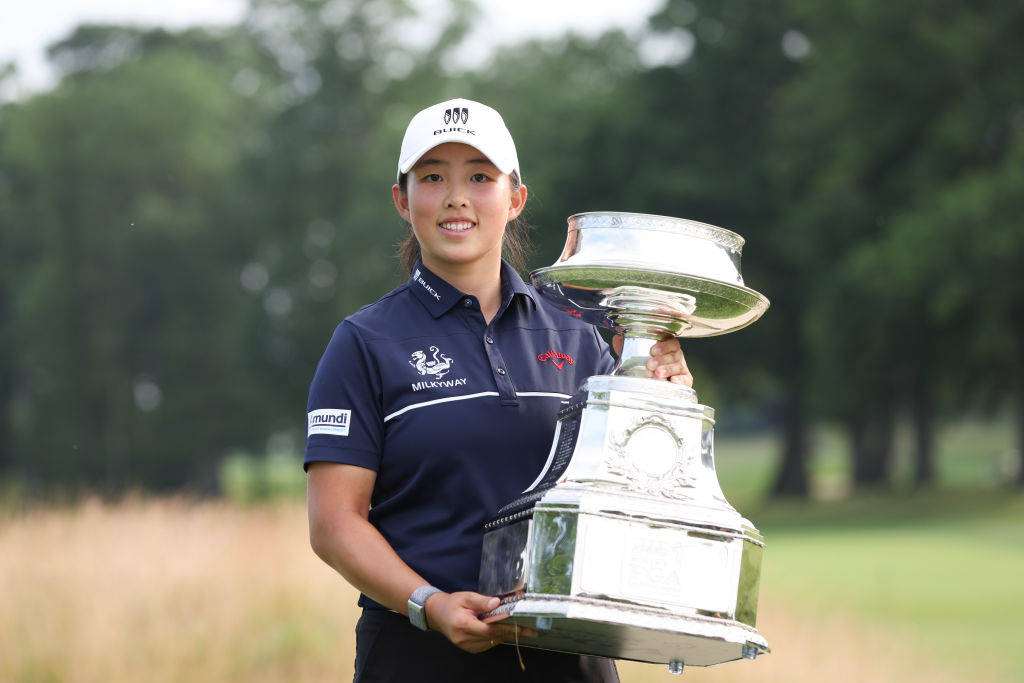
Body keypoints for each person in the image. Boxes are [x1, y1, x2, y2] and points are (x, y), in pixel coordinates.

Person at [305, 98, 692, 682]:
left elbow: (635, 496)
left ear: (515, 198)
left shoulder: (583, 335)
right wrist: (429, 605)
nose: (457, 197)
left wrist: (663, 400)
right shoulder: (364, 342)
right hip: (416, 657)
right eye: (433, 177)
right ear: (402, 200)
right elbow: (334, 523)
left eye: (479, 178)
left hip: (568, 658)